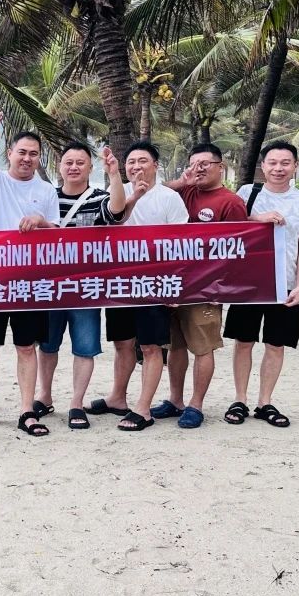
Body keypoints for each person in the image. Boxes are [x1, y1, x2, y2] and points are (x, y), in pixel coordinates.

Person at [0, 106, 60, 438]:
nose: (27, 158)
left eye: (33, 154)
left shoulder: (46, 190)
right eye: (22, 152)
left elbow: (58, 233)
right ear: (10, 153)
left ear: (39, 159)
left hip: (30, 281)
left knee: (26, 347)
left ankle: (26, 410)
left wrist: (40, 221)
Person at [222, 141, 299, 428]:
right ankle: (240, 399)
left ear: (295, 166)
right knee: (243, 341)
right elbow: (229, 227)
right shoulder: (247, 194)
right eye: (273, 163)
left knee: (276, 344)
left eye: (285, 163)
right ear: (263, 166)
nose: (279, 168)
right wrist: (257, 217)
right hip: (249, 283)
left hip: (285, 284)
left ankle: (265, 402)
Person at [90, 141, 187, 431]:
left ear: (156, 165)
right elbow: (109, 225)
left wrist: (173, 286)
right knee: (122, 344)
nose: (136, 166)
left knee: (150, 347)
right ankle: (117, 397)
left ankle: (143, 409)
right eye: (131, 162)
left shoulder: (169, 198)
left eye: (143, 161)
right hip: (120, 282)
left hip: (154, 283)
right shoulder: (116, 193)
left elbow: (182, 245)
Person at [33, 144, 128, 431]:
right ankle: (44, 396)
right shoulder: (47, 197)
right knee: (47, 345)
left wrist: (114, 174)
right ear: (59, 166)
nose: (74, 167)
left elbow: (117, 210)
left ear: (90, 168)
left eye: (80, 162)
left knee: (85, 348)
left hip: (86, 287)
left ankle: (76, 402)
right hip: (49, 286)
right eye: (68, 162)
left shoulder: (98, 198)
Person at [154, 142, 249, 428]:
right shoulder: (184, 192)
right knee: (175, 346)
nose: (199, 169)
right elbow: (153, 194)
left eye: (205, 164)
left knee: (202, 348)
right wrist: (182, 181)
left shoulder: (230, 202)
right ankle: (175, 400)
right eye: (194, 164)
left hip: (206, 288)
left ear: (221, 167)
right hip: (175, 284)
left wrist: (223, 288)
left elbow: (237, 248)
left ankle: (196, 404)